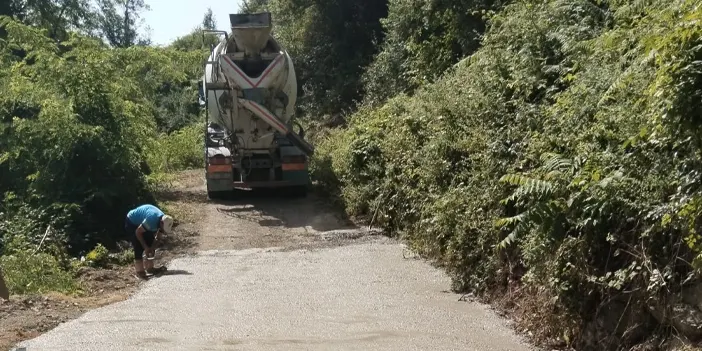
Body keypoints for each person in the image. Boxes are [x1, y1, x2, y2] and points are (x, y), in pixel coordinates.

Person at [124, 204, 174, 280]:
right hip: (132, 222)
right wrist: (145, 247)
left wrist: (152, 247)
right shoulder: (151, 220)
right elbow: (138, 232)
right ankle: (139, 271)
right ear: (161, 223)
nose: (163, 231)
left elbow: (158, 237)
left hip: (144, 222)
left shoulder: (164, 220)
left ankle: (150, 268)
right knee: (138, 245)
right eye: (163, 229)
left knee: (150, 241)